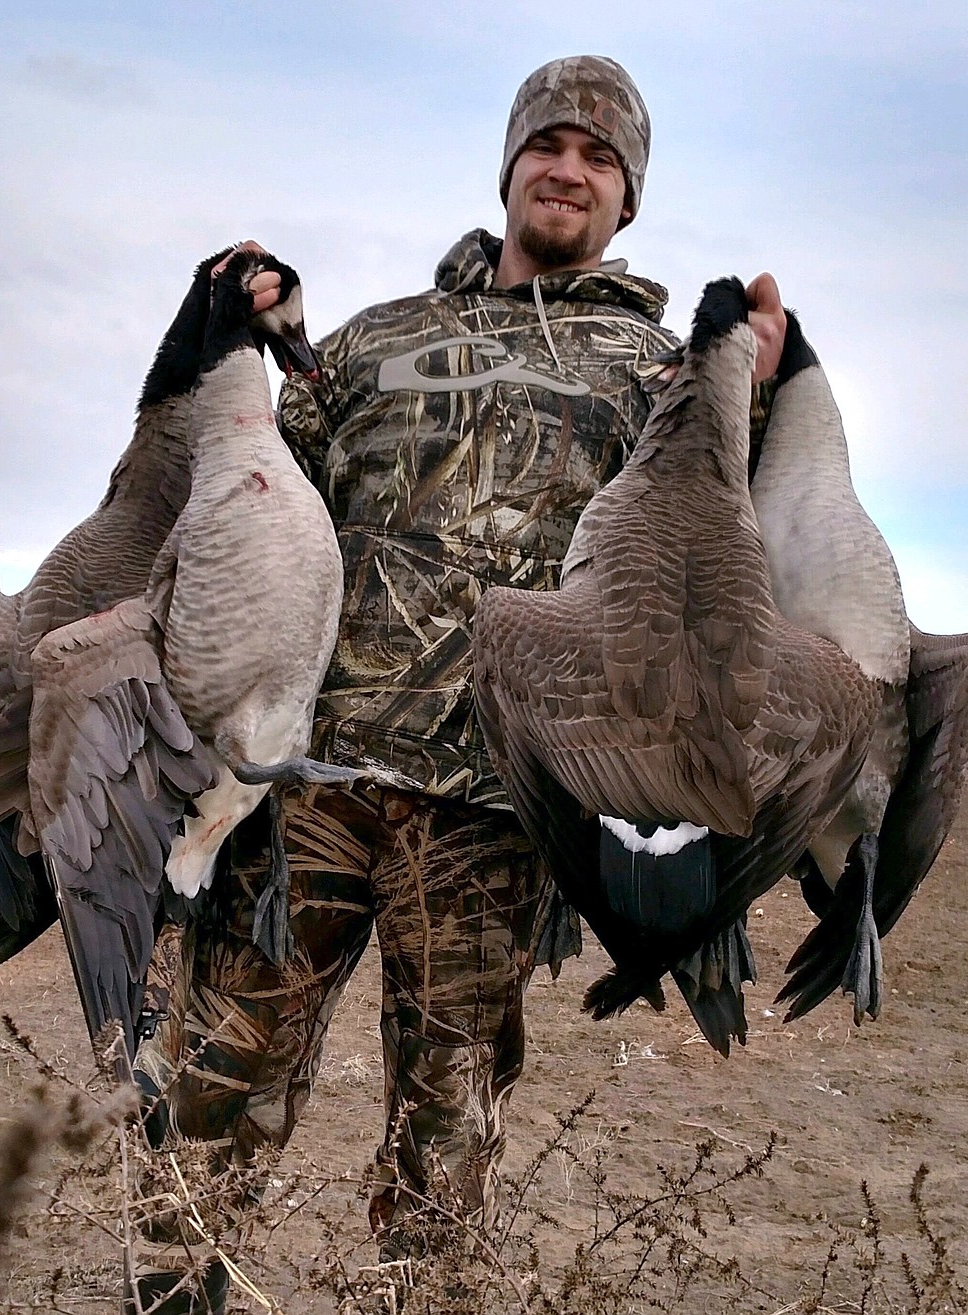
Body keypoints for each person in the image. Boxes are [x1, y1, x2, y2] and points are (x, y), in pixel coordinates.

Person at [128, 54, 785, 1312]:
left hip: (495, 822)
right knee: (207, 1102)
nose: (571, 168)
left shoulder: (666, 375)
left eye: (602, 158)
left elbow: (723, 590)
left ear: (627, 199)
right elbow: (227, 513)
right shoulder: (368, 346)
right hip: (302, 791)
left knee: (444, 1167)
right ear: (510, 162)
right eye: (552, 142)